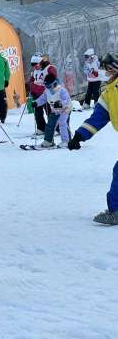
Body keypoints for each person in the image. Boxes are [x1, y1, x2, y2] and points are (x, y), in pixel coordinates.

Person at [68, 53, 118, 224]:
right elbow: (98, 118)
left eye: (107, 69)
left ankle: (116, 211)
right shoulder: (108, 92)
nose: (104, 72)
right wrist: (79, 136)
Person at [31, 73, 72, 148]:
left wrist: (59, 104)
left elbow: (66, 100)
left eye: (49, 86)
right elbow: (43, 99)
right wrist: (36, 103)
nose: (47, 88)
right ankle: (48, 141)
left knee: (62, 123)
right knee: (50, 124)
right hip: (55, 110)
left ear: (54, 83)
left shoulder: (61, 90)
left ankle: (66, 141)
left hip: (65, 110)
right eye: (46, 86)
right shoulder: (47, 91)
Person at [29, 53, 56, 134]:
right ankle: (41, 128)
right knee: (38, 112)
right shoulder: (35, 71)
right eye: (33, 65)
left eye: (36, 65)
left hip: (46, 94)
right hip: (37, 94)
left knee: (50, 111)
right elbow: (32, 80)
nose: (35, 67)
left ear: (41, 62)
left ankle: (55, 127)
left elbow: (53, 75)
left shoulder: (49, 67)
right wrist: (31, 89)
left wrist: (50, 78)